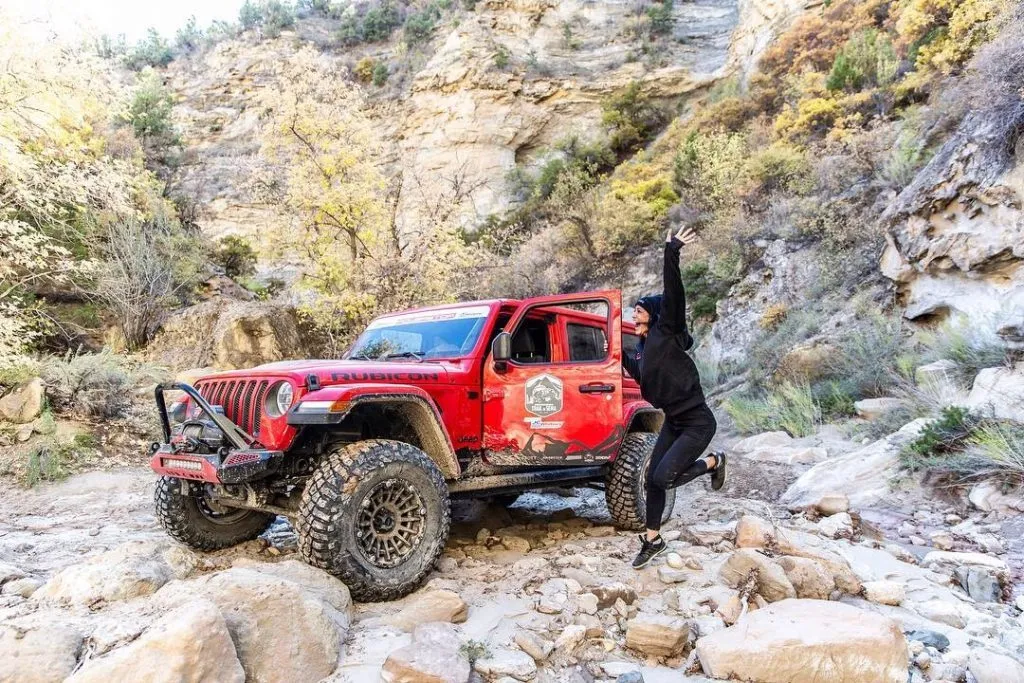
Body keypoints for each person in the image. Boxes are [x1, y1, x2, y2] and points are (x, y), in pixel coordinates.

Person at [622, 225, 727, 569]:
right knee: (654, 475)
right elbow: (637, 375)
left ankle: (713, 463)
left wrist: (671, 251)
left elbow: (673, 292)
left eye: (639, 309)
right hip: (673, 420)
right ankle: (652, 539)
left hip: (697, 422)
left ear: (655, 314)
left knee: (661, 478)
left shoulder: (666, 331)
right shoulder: (640, 351)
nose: (634, 313)